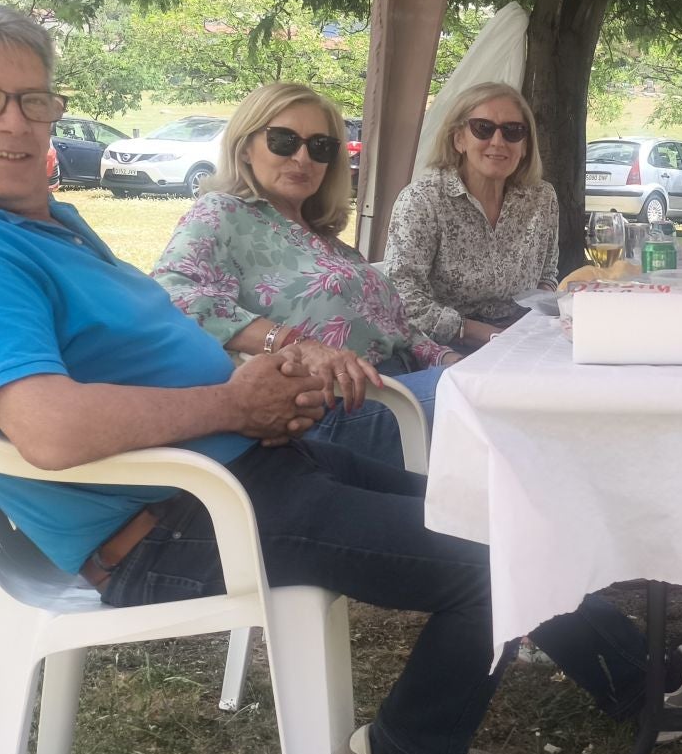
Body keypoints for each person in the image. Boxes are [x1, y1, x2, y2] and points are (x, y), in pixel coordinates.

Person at [0, 0, 682, 754]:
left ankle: (647, 687)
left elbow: (148, 348)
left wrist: (260, 384)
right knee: (493, 559)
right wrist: (233, 396)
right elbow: (49, 429)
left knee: (504, 514)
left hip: (243, 468)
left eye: (34, 99)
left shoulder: (33, 224)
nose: (17, 123)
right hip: (177, 522)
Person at [153, 82, 459, 466]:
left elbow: (400, 331)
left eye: (320, 147)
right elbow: (173, 295)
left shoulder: (329, 243)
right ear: (246, 146)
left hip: (401, 386)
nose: (303, 158)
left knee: (502, 390)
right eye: (284, 140)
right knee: (489, 404)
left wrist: (449, 358)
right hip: (335, 409)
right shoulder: (222, 213)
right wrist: (292, 342)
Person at [382, 82, 557, 349]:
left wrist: (537, 324)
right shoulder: (423, 200)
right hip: (445, 348)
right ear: (459, 139)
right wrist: (489, 335)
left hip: (524, 339)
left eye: (513, 132)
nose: (498, 142)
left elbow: (547, 274)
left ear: (524, 146)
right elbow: (402, 297)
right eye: (483, 129)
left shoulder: (541, 198)